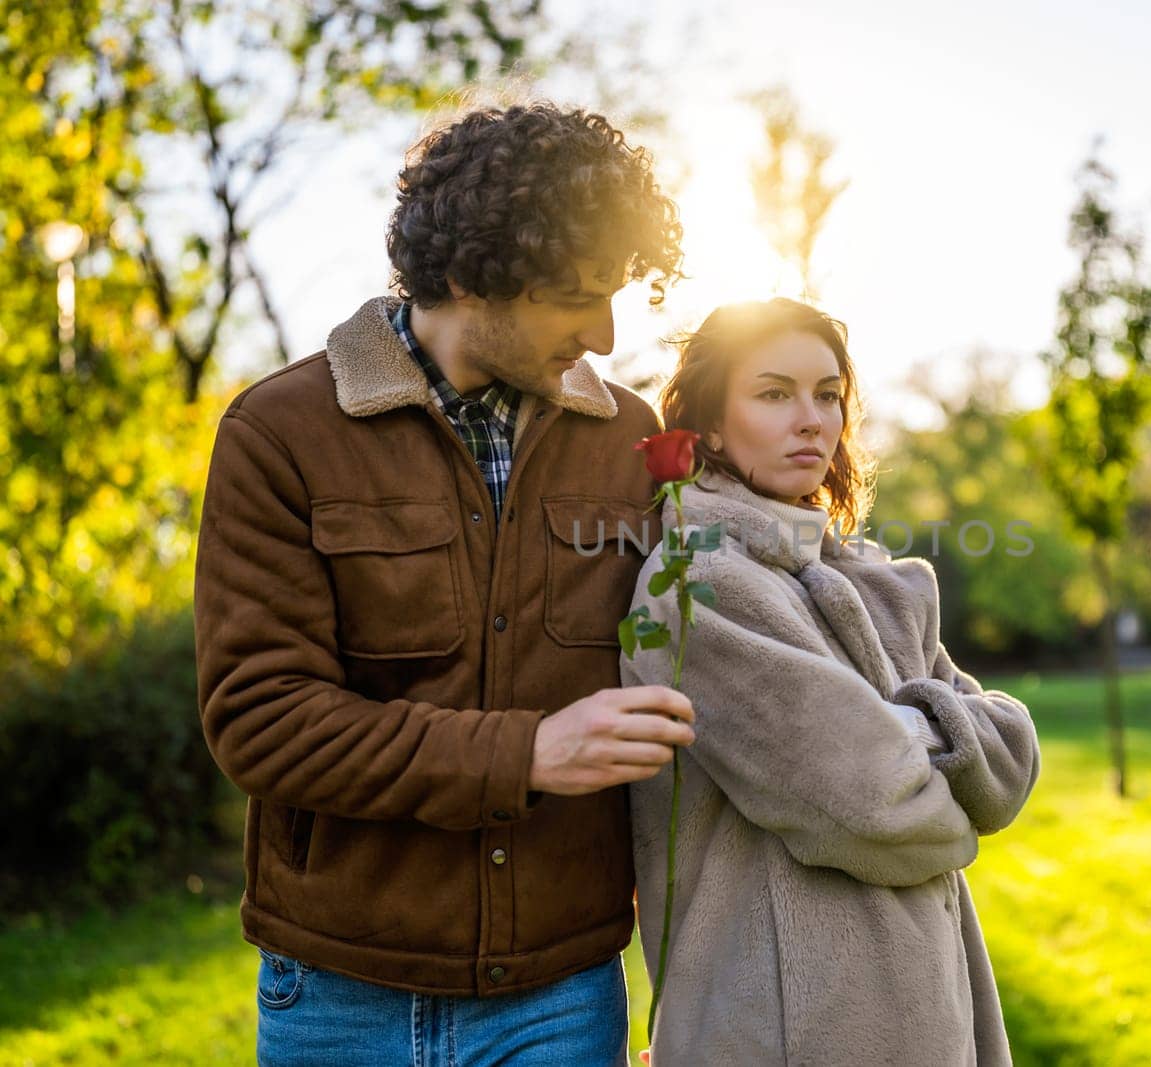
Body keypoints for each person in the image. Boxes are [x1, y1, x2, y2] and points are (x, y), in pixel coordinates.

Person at [193, 101, 697, 1067]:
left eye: (617, 292)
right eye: (574, 296)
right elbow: (261, 717)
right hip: (341, 993)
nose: (603, 329)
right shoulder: (280, 432)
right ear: (470, 276)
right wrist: (527, 753)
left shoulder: (636, 442)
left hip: (564, 992)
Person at [621, 298, 1042, 1065]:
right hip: (788, 1027)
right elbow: (881, 805)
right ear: (710, 425)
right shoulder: (699, 582)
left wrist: (909, 736)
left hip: (929, 1006)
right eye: (774, 393)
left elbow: (1010, 762)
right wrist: (942, 749)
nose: (812, 418)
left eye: (827, 393)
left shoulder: (873, 578)